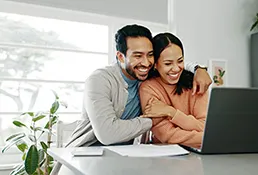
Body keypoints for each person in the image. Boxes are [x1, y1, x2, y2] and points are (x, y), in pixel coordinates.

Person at [51, 24, 211, 174]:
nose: (146, 62)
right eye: (137, 56)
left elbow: (171, 61)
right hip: (83, 158)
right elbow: (107, 134)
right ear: (120, 57)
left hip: (122, 158)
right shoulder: (100, 80)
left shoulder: (145, 77)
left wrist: (199, 69)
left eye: (150, 55)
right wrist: (154, 120)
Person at [139, 33, 209, 149]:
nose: (176, 68)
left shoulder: (196, 83)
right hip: (164, 156)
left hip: (199, 152)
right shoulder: (148, 88)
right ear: (155, 64)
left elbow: (205, 126)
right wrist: (205, 137)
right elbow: (166, 135)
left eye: (180, 61)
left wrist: (171, 112)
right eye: (168, 63)